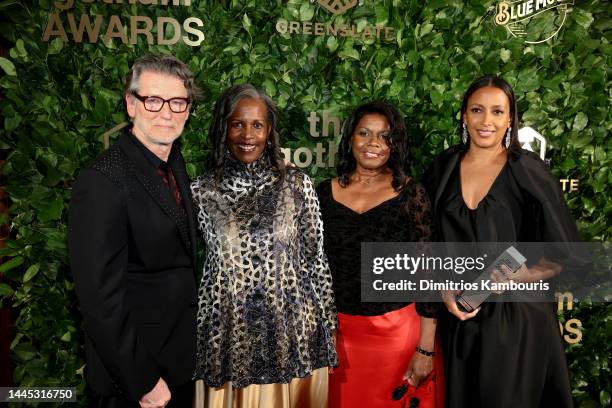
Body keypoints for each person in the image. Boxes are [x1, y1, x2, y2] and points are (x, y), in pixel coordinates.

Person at [423, 75, 580, 408]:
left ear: (511, 119)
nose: (486, 121)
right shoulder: (442, 168)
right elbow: (429, 242)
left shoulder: (528, 170)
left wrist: (522, 275)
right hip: (461, 317)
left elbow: (562, 252)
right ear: (463, 115)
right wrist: (443, 289)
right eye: (477, 110)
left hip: (517, 321)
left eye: (497, 112)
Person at [191, 84, 337, 408]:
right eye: (237, 124)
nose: (248, 135)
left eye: (257, 125)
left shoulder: (296, 185)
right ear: (223, 128)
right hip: (228, 342)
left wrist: (329, 329)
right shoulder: (201, 192)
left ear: (269, 131)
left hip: (293, 339)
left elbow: (316, 260)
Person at [69, 54, 200, 408]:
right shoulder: (102, 180)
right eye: (153, 100)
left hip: (178, 368)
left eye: (177, 102)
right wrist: (144, 381)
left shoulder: (174, 163)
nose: (166, 113)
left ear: (188, 109)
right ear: (131, 104)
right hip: (135, 385)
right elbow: (100, 299)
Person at [316, 101, 443, 408]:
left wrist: (425, 348)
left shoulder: (411, 195)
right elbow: (312, 270)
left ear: (395, 144)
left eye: (384, 136)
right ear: (350, 139)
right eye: (364, 133)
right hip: (338, 338)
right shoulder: (322, 194)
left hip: (397, 337)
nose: (373, 143)